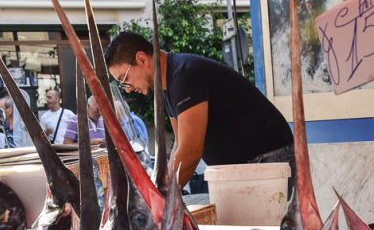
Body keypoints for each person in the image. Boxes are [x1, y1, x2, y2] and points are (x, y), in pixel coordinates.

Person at [104, 33, 295, 191]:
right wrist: (158, 188)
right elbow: (179, 145)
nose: (127, 89)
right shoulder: (167, 86)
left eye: (125, 78)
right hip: (245, 167)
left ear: (142, 59)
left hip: (268, 159)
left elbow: (190, 151)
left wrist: (160, 196)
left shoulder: (185, 76)